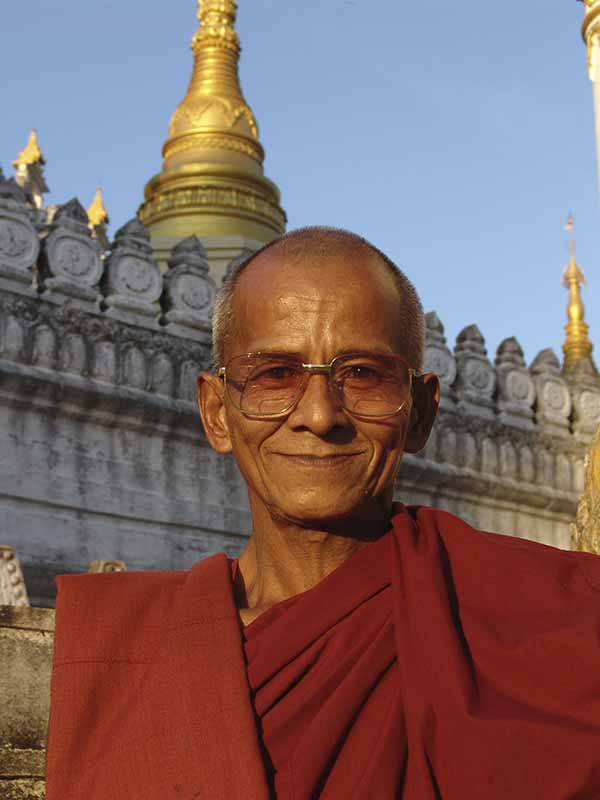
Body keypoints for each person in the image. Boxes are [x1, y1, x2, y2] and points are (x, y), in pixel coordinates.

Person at [46, 227, 600, 800]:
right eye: (275, 374)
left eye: (363, 374)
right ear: (215, 412)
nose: (318, 414)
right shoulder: (116, 652)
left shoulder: (554, 621)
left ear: (421, 415)